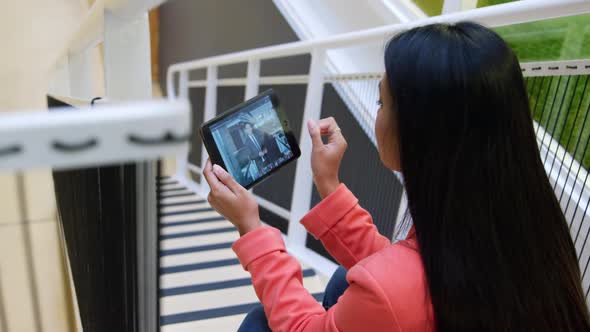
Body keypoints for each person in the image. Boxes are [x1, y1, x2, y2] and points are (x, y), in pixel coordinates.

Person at [203, 22, 590, 331]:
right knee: (343, 281)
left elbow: (317, 321)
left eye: (381, 101)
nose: (378, 113)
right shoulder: (519, 224)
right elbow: (398, 275)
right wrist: (330, 185)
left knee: (260, 323)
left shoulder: (395, 289)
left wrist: (251, 227)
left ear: (419, 131)